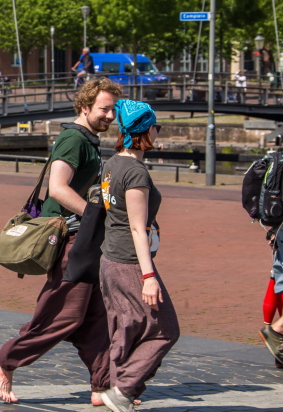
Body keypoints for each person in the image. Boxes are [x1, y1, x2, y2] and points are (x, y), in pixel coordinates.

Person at [0, 78, 123, 406]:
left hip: (85, 238)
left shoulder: (89, 139)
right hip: (69, 239)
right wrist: (99, 215)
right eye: (104, 109)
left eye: (113, 110)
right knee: (64, 314)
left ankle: (102, 385)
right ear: (85, 107)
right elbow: (58, 188)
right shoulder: (72, 139)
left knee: (97, 316)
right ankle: (5, 360)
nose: (110, 116)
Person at [98, 100, 179, 412]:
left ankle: (117, 390)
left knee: (125, 326)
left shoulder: (112, 164)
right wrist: (148, 276)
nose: (158, 132)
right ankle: (123, 389)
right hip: (130, 262)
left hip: (109, 260)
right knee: (166, 329)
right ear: (148, 130)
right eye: (156, 126)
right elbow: (136, 227)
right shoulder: (135, 172)